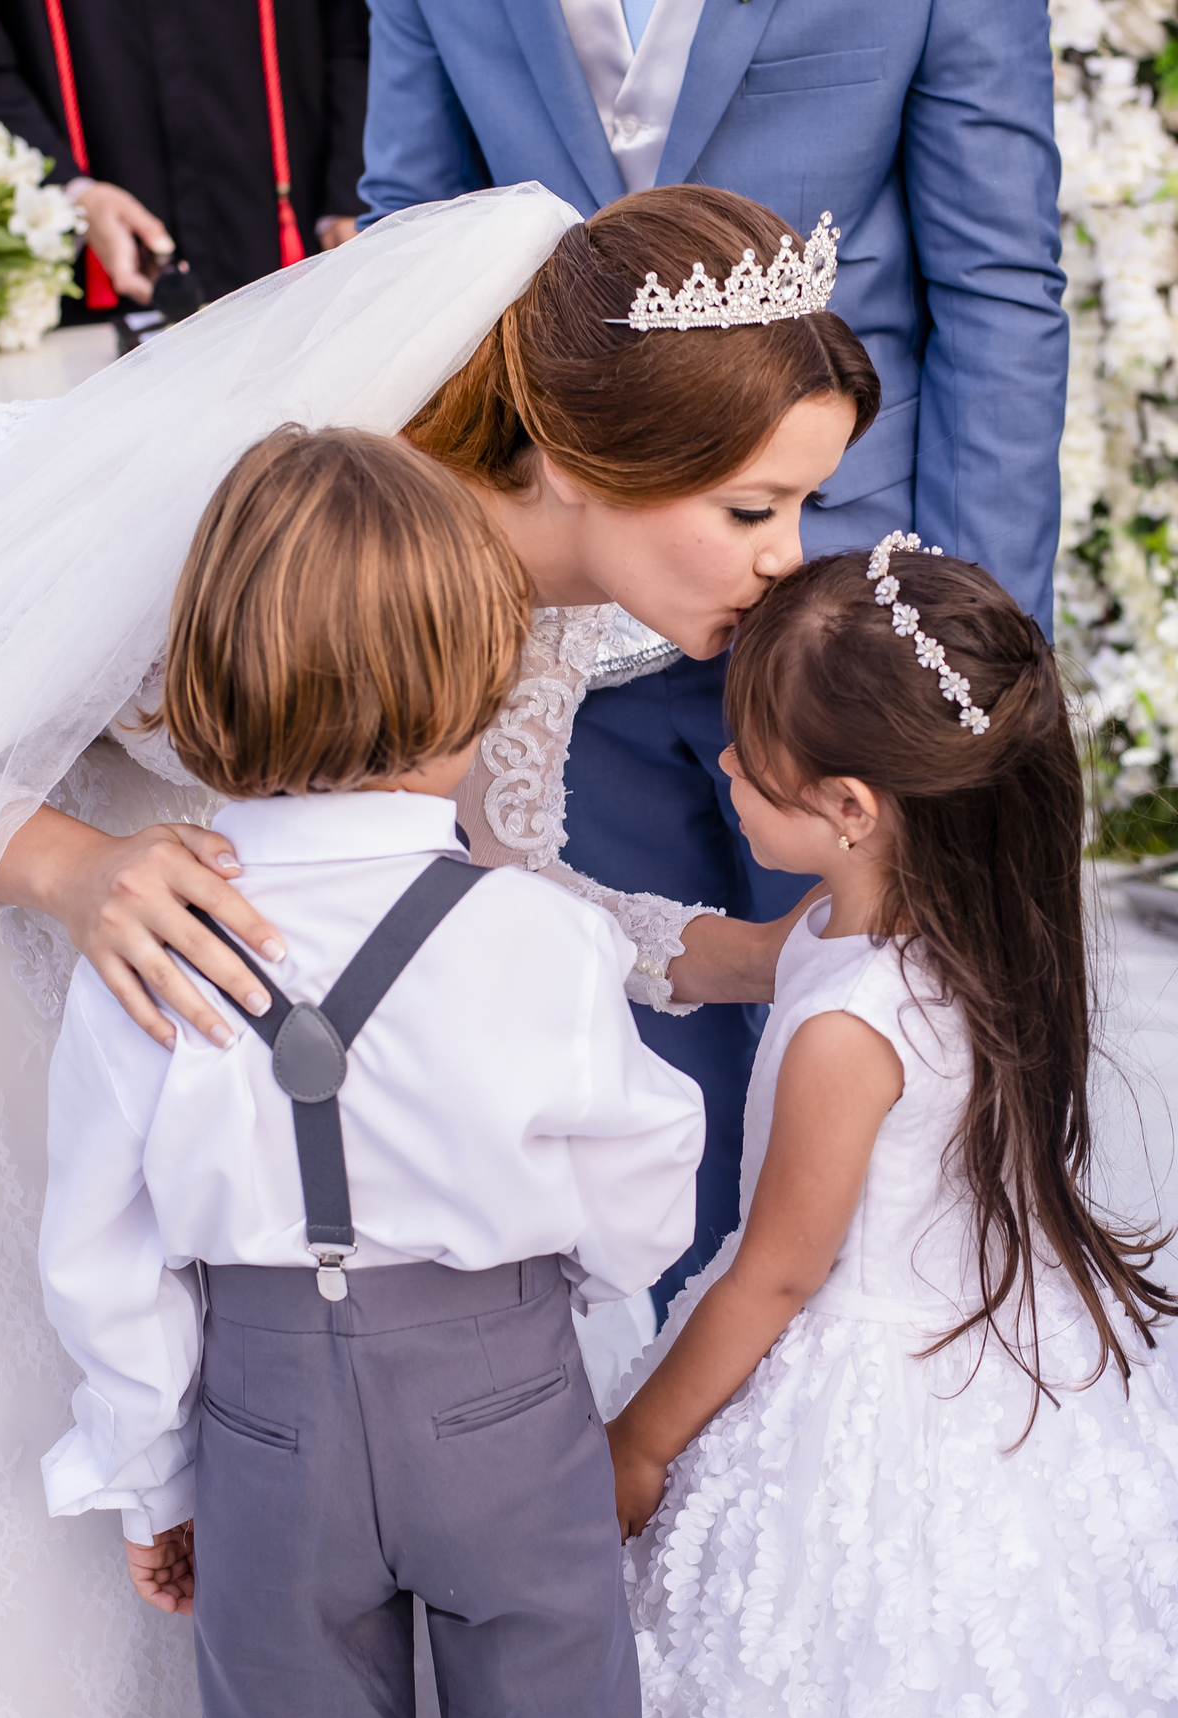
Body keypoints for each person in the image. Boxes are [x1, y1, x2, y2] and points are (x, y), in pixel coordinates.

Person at [0, 182, 872, 1718]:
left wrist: (749, 954)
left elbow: (492, 908)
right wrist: (62, 864)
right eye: (751, 510)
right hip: (132, 998)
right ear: (598, 460)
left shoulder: (539, 616)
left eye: (806, 509)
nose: (783, 563)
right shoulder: (274, 526)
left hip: (249, 1209)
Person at [357, 0, 1068, 1312]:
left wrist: (951, 660)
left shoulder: (795, 551)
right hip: (554, 545)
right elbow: (415, 231)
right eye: (761, 519)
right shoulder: (375, 603)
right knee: (634, 1088)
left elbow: (998, 271)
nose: (776, 548)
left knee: (895, 1062)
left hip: (856, 609)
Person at [39, 423, 704, 1718]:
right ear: (478, 681)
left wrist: (155, 1477)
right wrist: (584, 1312)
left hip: (265, 1417)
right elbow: (646, 1167)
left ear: (213, 678)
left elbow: (101, 1249)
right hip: (506, 1392)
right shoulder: (537, 933)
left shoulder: (144, 941)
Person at [606, 536, 1178, 1718]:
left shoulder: (848, 1032)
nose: (728, 768)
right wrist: (550, 921)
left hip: (862, 1402)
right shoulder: (942, 929)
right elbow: (721, 959)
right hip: (998, 1361)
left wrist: (639, 1446)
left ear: (853, 809)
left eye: (751, 759)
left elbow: (773, 1279)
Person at [0, 0, 370, 306]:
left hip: (293, 241)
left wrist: (352, 192)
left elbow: (357, 34)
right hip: (101, 256)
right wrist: (71, 191)